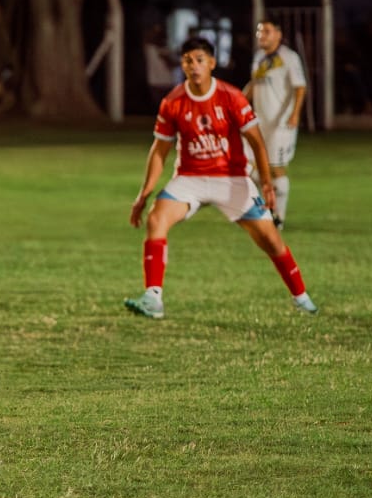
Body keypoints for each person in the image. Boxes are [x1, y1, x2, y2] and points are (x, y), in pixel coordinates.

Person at [125, 37, 318, 320]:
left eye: (199, 60)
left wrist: (265, 182)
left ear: (212, 64)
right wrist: (144, 194)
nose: (193, 66)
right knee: (157, 218)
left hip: (231, 179)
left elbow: (256, 141)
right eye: (188, 60)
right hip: (190, 178)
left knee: (270, 240)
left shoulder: (230, 97)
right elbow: (159, 151)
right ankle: (153, 297)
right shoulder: (173, 102)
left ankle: (301, 297)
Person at [244, 19, 307, 229]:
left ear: (278, 35)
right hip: (258, 121)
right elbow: (254, 83)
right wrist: (238, 104)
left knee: (276, 168)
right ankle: (260, 210)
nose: (262, 35)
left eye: (267, 31)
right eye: (259, 31)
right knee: (247, 168)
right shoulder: (259, 57)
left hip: (281, 122)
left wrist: (295, 114)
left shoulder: (289, 57)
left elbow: (300, 87)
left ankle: (278, 216)